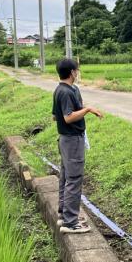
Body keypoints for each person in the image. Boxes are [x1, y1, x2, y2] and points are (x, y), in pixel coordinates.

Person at [52, 58, 103, 234]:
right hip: (72, 140)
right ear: (72, 72)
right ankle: (71, 222)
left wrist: (80, 108)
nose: (78, 72)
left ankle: (64, 215)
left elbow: (55, 117)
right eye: (77, 70)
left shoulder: (62, 90)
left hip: (66, 139)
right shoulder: (65, 92)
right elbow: (67, 117)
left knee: (66, 177)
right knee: (74, 179)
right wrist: (87, 109)